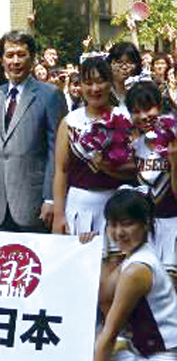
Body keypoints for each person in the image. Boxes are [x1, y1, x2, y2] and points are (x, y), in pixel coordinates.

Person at [76, 189, 177, 361]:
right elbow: (103, 296)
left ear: (146, 225)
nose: (119, 232)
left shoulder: (137, 270)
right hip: (145, 354)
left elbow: (109, 331)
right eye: (112, 225)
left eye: (127, 224)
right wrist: (93, 249)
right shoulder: (134, 257)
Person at [0, 30, 67, 232]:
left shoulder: (50, 95)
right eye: (10, 55)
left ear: (33, 58)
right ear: (2, 60)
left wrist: (51, 198)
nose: (15, 61)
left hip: (36, 205)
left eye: (21, 54)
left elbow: (57, 152)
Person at [52, 57, 132, 251]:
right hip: (79, 207)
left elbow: (137, 167)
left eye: (100, 81)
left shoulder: (126, 117)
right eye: (88, 83)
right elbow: (61, 171)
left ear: (110, 83)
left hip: (117, 207)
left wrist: (107, 166)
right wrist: (59, 215)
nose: (95, 89)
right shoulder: (70, 122)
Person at [126, 81, 177, 283]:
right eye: (136, 111)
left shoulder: (174, 138)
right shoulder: (135, 145)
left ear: (159, 105)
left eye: (148, 108)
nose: (143, 116)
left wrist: (174, 161)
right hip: (148, 229)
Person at [107, 41, 142, 108]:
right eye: (119, 62)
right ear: (110, 63)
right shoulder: (103, 92)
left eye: (129, 62)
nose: (124, 67)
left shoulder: (137, 90)